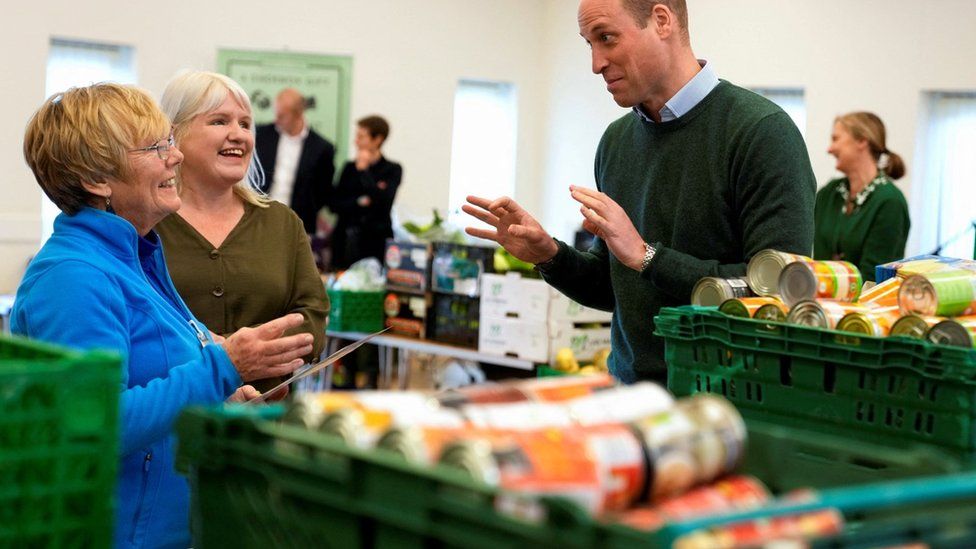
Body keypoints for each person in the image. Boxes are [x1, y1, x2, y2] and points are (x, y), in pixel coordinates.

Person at [12, 83, 313, 548]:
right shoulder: (74, 277)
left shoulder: (136, 255)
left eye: (170, 141)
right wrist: (224, 367)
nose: (174, 158)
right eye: (156, 147)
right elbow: (99, 425)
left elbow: (159, 373)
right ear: (97, 180)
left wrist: (223, 389)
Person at [464, 0, 815, 384]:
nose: (596, 63)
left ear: (661, 21)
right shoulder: (616, 142)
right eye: (589, 44)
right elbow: (617, 288)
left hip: (732, 403)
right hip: (632, 398)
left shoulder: (761, 133)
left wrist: (649, 257)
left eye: (607, 38)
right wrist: (550, 255)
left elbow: (780, 294)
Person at [156, 70, 328, 393]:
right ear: (174, 133)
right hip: (171, 421)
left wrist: (260, 353)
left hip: (266, 423)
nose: (239, 135)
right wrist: (224, 356)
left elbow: (313, 314)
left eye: (245, 124)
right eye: (220, 121)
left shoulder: (282, 224)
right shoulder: (147, 224)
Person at [814, 112, 910, 281]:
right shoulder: (829, 193)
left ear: (862, 141)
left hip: (865, 306)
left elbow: (873, 279)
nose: (829, 149)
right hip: (818, 301)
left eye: (836, 139)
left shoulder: (890, 202)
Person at [256, 88, 336, 234]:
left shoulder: (322, 148)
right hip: (259, 218)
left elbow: (323, 191)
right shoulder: (260, 136)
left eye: (282, 116)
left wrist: (307, 210)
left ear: (298, 114)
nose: (276, 119)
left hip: (298, 223)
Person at [331, 115, 403, 270]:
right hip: (345, 241)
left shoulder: (392, 169)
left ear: (377, 139)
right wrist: (360, 202)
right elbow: (334, 204)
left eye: (361, 137)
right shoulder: (349, 168)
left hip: (375, 243)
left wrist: (364, 171)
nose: (356, 141)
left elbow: (383, 204)